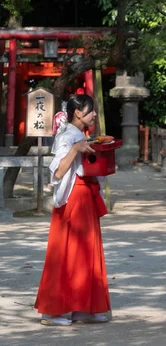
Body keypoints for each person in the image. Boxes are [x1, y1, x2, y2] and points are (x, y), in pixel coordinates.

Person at [35, 94, 111, 326]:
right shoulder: (68, 136)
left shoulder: (78, 134)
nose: (94, 115)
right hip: (74, 197)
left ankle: (82, 308)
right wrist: (76, 149)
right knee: (66, 252)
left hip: (85, 194)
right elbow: (57, 172)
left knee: (85, 252)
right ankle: (53, 311)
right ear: (78, 113)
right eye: (91, 111)